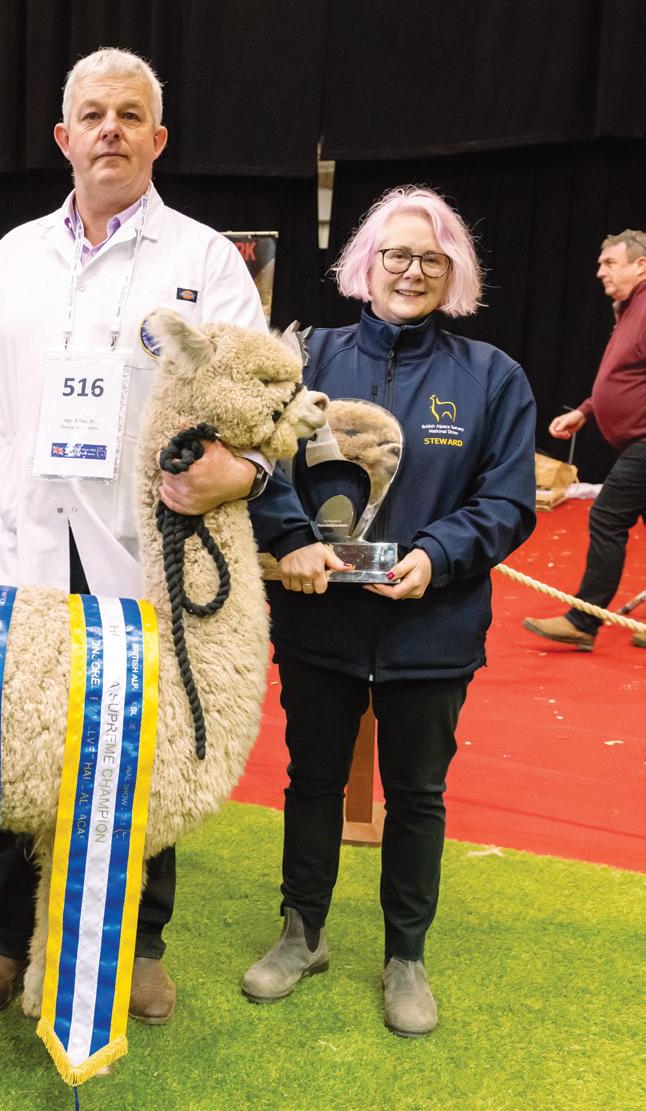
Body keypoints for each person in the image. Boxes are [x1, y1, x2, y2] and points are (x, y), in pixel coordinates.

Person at [0, 47, 269, 1025]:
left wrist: (246, 470)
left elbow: (257, 395)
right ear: (63, 136)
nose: (110, 131)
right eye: (92, 115)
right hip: (26, 543)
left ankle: (139, 944)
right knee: (18, 737)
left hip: (144, 549)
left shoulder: (203, 261)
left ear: (158, 138)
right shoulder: (10, 258)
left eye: (130, 115)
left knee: (140, 748)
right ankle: (3, 938)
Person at [244, 186, 536, 1036]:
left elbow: (508, 499)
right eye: (396, 255)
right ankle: (302, 932)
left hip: (431, 627)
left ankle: (406, 954)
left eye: (432, 259)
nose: (412, 272)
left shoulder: (493, 376)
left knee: (418, 792)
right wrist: (292, 538)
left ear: (454, 273)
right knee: (312, 779)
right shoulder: (304, 357)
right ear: (364, 266)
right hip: (319, 619)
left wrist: (437, 555)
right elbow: (260, 463)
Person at [523, 230, 646, 650]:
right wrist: (586, 411)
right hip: (636, 442)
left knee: (607, 517)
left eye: (610, 263)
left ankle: (583, 620)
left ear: (640, 265)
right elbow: (625, 375)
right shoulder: (630, 308)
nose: (600, 272)